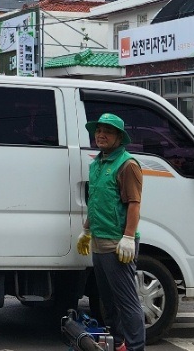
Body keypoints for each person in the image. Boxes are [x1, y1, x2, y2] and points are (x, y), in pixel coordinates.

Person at [76, 113, 145, 351]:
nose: (101, 135)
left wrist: (128, 237)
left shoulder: (127, 164)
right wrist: (86, 230)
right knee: (108, 302)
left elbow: (134, 204)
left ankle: (136, 348)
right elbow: (96, 201)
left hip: (118, 244)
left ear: (119, 137)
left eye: (107, 131)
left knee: (126, 302)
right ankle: (119, 344)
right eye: (98, 131)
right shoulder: (97, 163)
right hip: (99, 242)